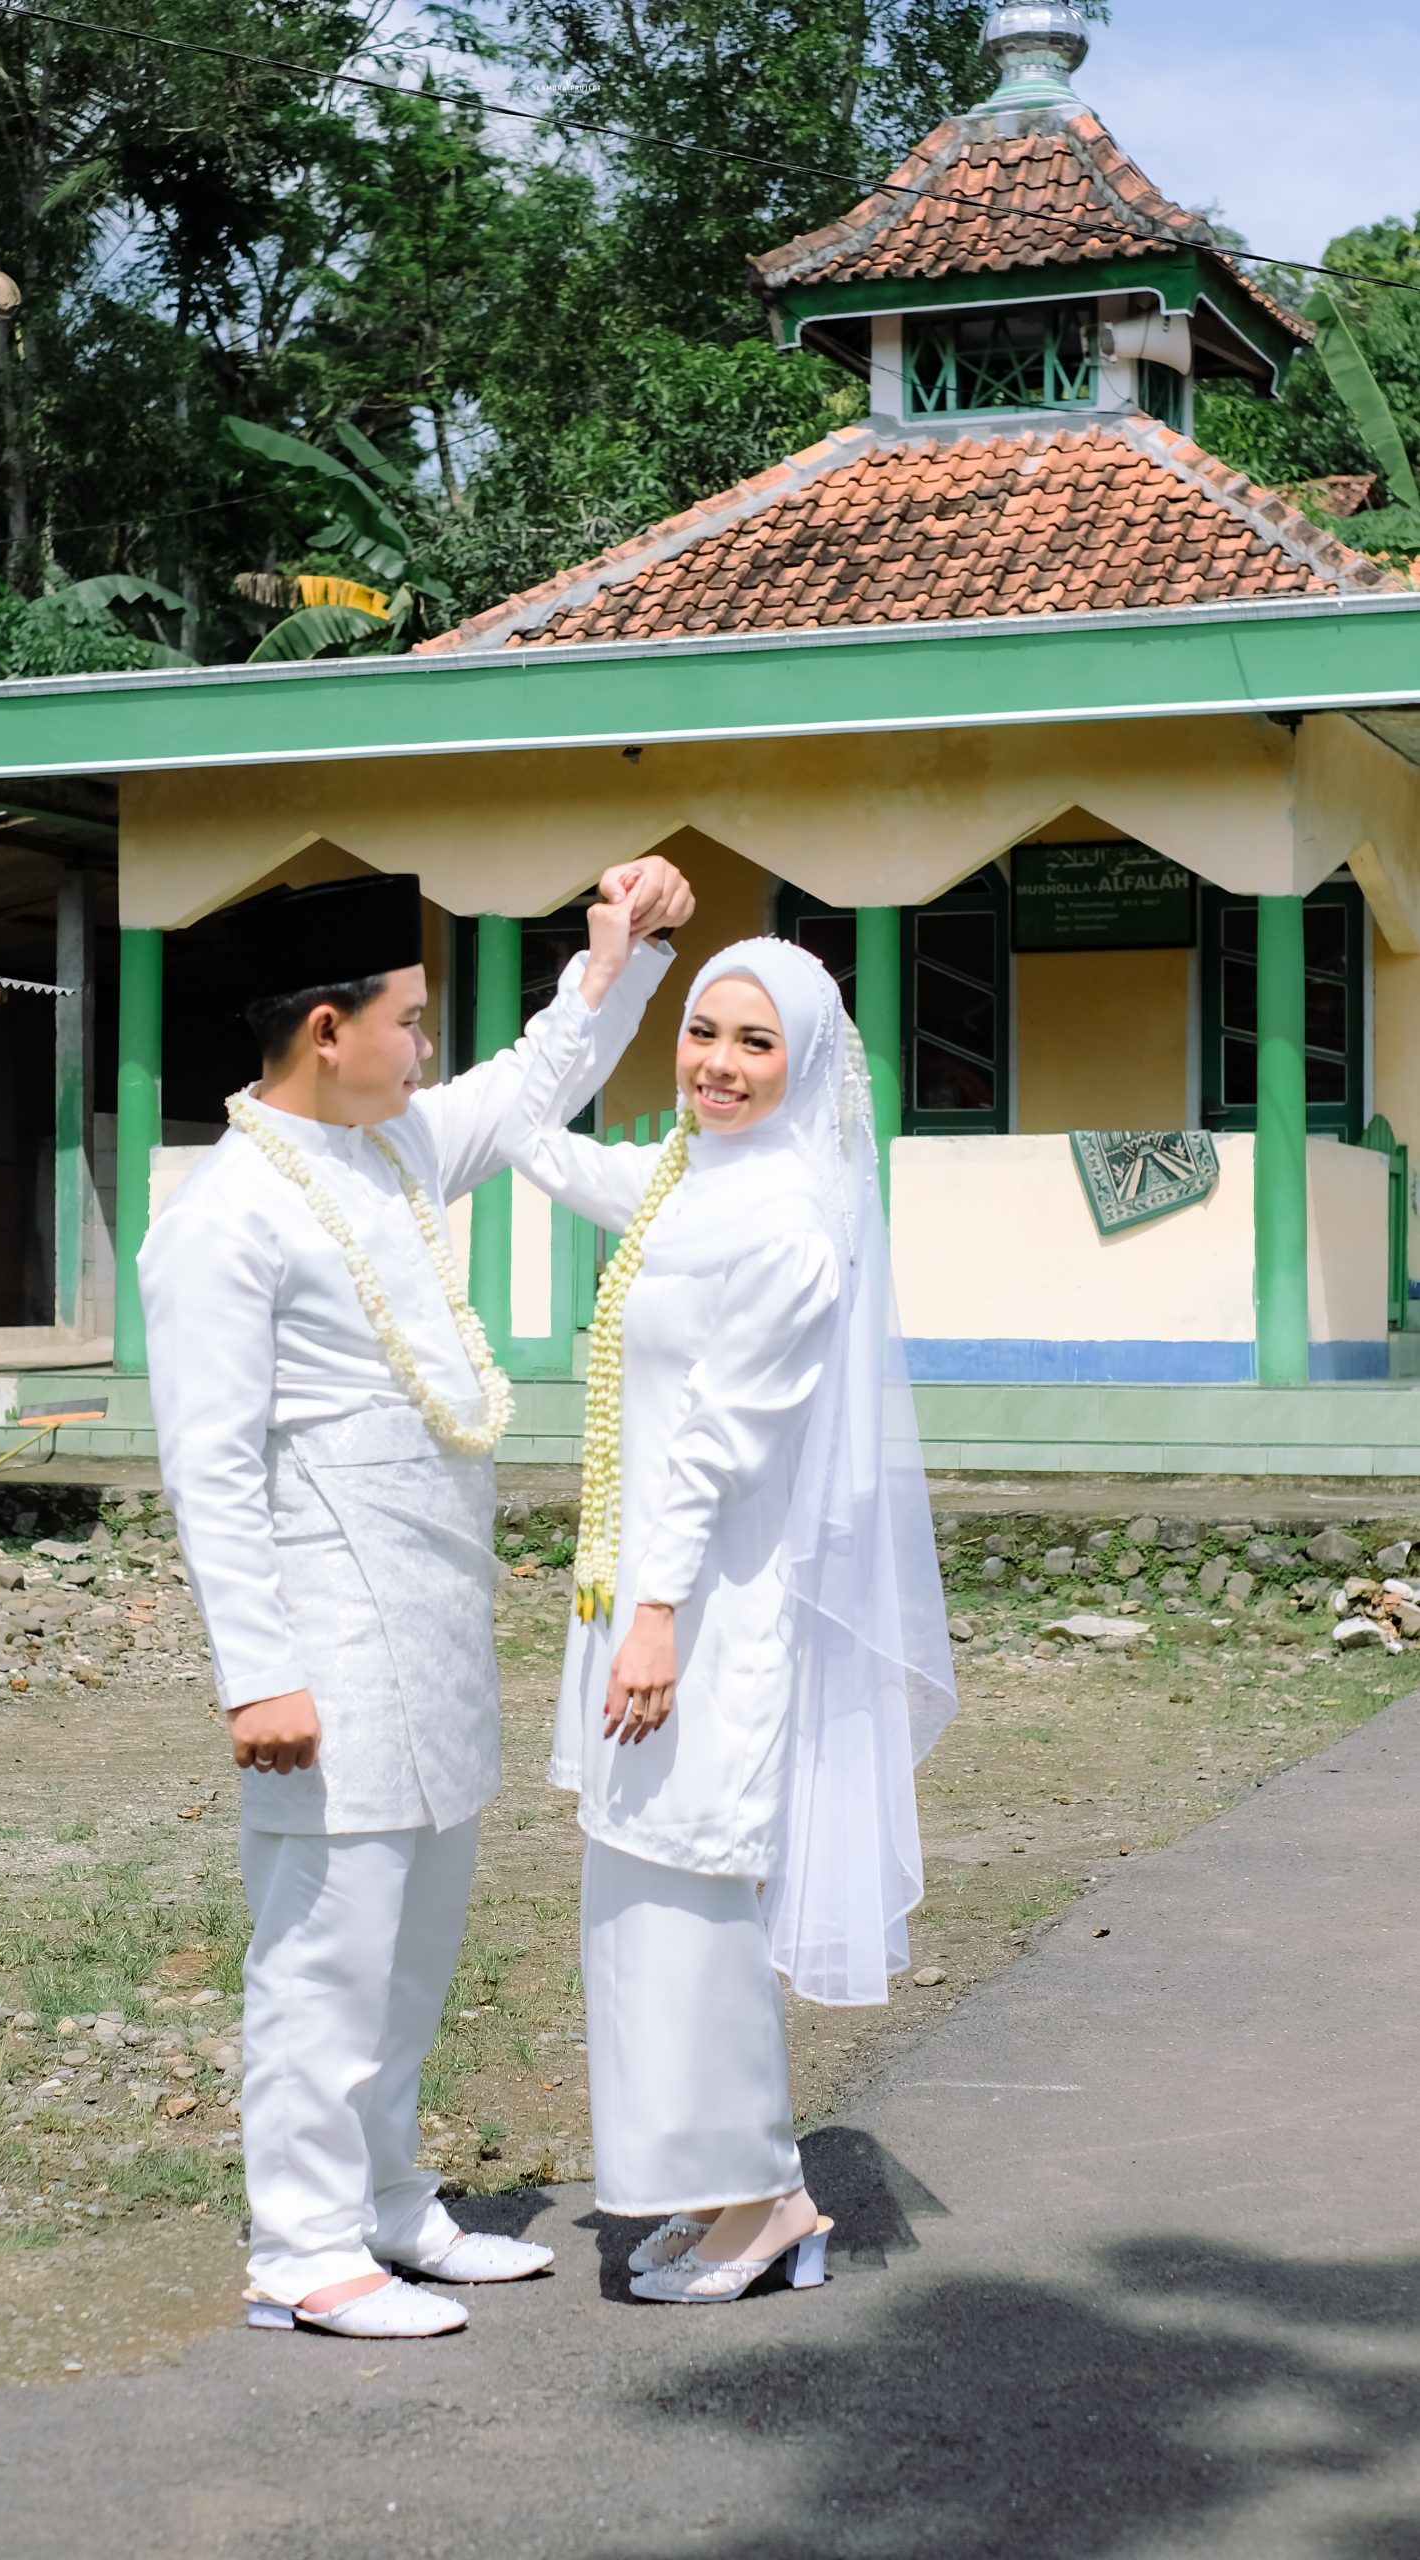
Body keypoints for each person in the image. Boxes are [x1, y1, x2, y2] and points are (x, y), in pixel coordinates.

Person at [138, 859, 691, 2341]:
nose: (429, 1045)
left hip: (432, 1625)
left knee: (411, 1944)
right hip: (322, 1639)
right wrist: (258, 1673)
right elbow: (209, 1468)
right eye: (410, 1018)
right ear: (329, 1031)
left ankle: (386, 2203)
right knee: (325, 1949)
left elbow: (530, 1085)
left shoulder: (388, 1151)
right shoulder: (225, 1214)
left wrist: (620, 953)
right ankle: (300, 2248)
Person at [500, 932, 957, 2304]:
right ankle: (707, 2185)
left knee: (695, 1894)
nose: (720, 1064)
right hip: (642, 1596)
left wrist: (654, 1620)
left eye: (757, 1043)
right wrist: (606, 972)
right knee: (636, 1897)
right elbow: (533, 1137)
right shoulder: (682, 1179)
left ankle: (767, 2202)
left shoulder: (793, 1224)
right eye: (705, 1031)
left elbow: (716, 1441)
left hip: (707, 1612)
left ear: (804, 1062)